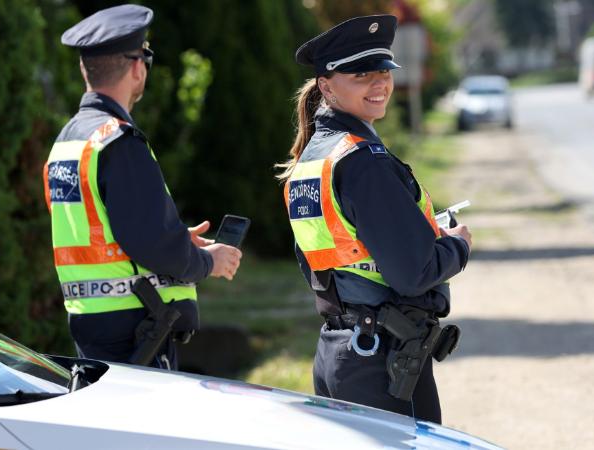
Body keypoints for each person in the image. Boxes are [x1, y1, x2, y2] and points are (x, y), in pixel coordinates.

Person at [279, 15, 472, 424]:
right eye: (361, 73)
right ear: (326, 87)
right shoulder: (363, 162)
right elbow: (414, 273)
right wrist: (457, 244)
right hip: (382, 361)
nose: (379, 82)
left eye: (384, 70)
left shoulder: (312, 160)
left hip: (339, 351)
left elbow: (333, 256)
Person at [44, 4, 241, 370]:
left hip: (91, 322)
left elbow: (98, 228)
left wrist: (176, 237)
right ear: (137, 67)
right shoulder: (118, 142)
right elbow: (152, 244)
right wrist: (206, 261)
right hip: (137, 328)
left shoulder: (66, 143)